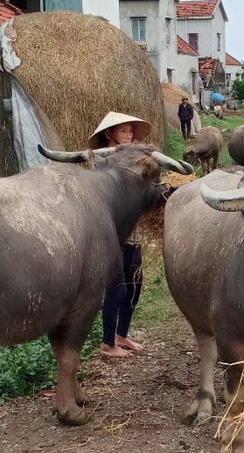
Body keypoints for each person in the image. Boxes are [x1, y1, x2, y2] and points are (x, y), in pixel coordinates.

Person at [88, 111, 151, 358]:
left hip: (133, 231)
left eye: (130, 131)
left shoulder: (137, 158)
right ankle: (107, 343)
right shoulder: (100, 161)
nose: (129, 135)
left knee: (134, 284)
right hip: (112, 232)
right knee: (116, 288)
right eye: (123, 131)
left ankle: (122, 335)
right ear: (109, 134)